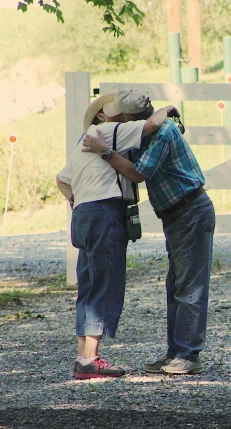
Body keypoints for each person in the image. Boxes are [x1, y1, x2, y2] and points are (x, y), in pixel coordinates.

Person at [82, 104, 215, 376]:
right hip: (177, 214)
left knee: (188, 286)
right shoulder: (143, 132)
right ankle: (175, 353)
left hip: (189, 210)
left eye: (121, 117)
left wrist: (104, 151)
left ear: (130, 118)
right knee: (176, 285)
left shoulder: (161, 133)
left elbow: (138, 173)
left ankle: (189, 355)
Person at [56, 89, 178, 380]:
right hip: (104, 211)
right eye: (111, 108)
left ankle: (83, 357)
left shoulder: (83, 143)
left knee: (88, 285)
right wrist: (169, 107)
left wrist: (73, 196)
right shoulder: (110, 131)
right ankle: (91, 360)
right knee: (105, 284)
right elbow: (151, 125)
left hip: (83, 214)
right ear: (102, 115)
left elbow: (61, 179)